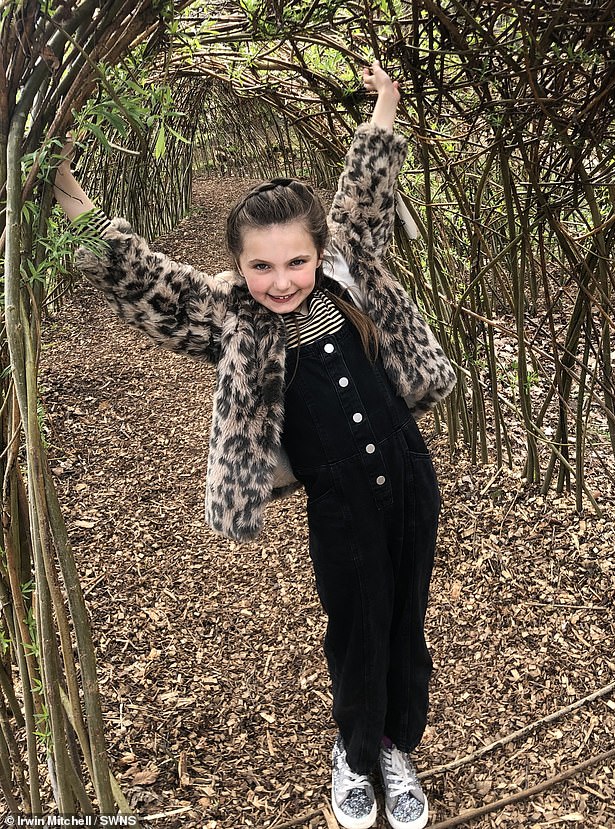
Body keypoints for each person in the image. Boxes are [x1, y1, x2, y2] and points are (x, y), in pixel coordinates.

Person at [54, 61, 456, 829]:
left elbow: (364, 192)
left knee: (407, 617)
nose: (282, 280)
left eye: (295, 260)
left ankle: (397, 744)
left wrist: (387, 101)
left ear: (319, 250)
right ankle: (355, 748)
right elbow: (142, 277)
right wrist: (66, 185)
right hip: (337, 499)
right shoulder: (230, 319)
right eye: (261, 265)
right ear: (237, 267)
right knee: (357, 621)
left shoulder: (349, 272)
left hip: (410, 475)